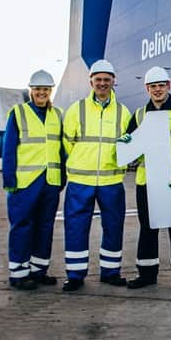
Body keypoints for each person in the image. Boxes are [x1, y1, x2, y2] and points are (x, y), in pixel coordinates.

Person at [121, 67, 171, 291]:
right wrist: (125, 141)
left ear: (169, 86)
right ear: (147, 89)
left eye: (161, 85)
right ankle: (146, 274)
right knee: (147, 228)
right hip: (147, 183)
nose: (157, 90)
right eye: (153, 86)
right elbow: (130, 148)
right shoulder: (139, 115)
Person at [61, 60, 131, 291]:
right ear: (91, 81)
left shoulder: (123, 112)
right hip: (81, 181)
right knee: (75, 227)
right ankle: (75, 275)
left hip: (111, 181)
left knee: (113, 227)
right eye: (98, 79)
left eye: (107, 79)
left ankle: (111, 272)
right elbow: (67, 142)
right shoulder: (76, 109)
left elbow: (128, 145)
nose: (102, 83)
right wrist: (83, 161)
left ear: (113, 82)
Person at [2, 70, 65, 290]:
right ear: (31, 90)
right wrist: (9, 179)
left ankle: (39, 270)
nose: (41, 93)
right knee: (22, 226)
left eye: (45, 89)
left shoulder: (57, 115)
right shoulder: (18, 113)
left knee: (45, 226)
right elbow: (8, 149)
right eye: (38, 89)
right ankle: (19, 273)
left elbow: (62, 149)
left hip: (50, 181)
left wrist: (62, 178)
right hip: (25, 182)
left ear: (50, 91)